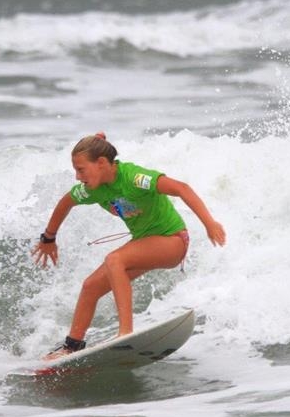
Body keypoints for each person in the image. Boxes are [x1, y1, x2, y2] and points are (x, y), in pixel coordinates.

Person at [31, 132, 226, 359]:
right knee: (91, 286)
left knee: (115, 259)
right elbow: (65, 203)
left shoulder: (134, 178)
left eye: (81, 169)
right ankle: (72, 346)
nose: (77, 176)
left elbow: (182, 188)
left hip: (173, 240)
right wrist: (48, 238)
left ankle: (125, 333)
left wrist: (209, 223)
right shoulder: (93, 189)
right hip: (145, 244)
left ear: (102, 163)